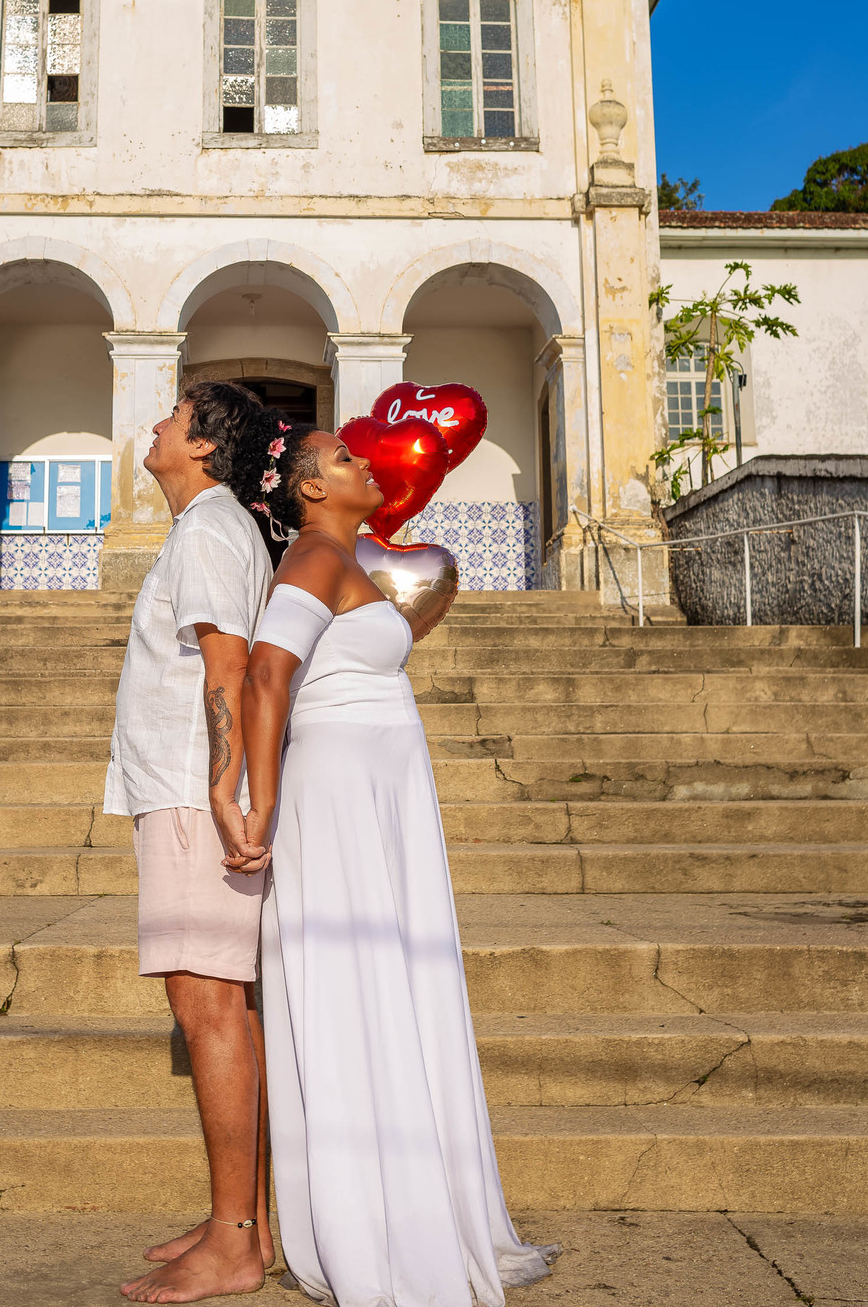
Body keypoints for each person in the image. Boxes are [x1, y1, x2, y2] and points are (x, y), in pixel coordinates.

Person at [221, 414, 559, 1307]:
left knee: (393, 977)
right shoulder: (314, 559)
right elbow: (264, 674)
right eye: (342, 459)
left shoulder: (347, 561)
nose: (364, 462)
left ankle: (423, 1198)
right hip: (337, 790)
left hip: (380, 784)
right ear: (309, 488)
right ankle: (376, 1218)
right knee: (357, 980)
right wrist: (259, 798)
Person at [104, 380, 275, 1304]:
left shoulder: (210, 530)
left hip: (188, 796)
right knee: (222, 1008)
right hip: (178, 790)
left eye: (173, 418)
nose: (157, 425)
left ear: (205, 447)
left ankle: (239, 1241)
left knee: (208, 1007)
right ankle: (238, 1221)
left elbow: (229, 667)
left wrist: (219, 789)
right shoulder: (206, 528)